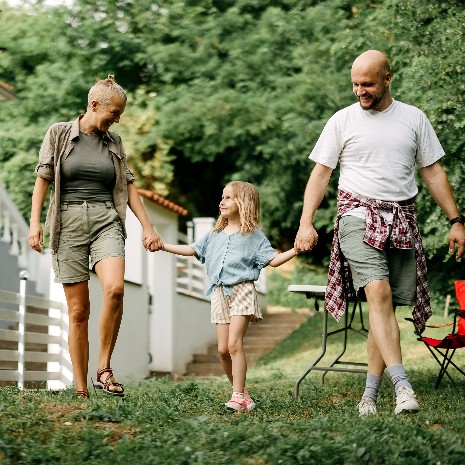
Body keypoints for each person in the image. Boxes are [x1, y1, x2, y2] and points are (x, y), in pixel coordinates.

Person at [294, 50, 465, 416]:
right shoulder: (342, 121)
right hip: (356, 216)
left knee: (381, 306)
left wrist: (455, 220)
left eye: (368, 84)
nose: (360, 91)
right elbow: (321, 174)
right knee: (378, 290)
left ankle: (368, 396)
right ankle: (403, 386)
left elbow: (432, 171)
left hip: (401, 218)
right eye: (355, 84)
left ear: (388, 78)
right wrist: (306, 221)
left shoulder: (413, 119)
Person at [28, 75, 163, 399]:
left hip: (106, 219)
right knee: (78, 311)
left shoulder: (114, 142)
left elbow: (129, 185)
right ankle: (80, 387)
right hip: (68, 223)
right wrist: (36, 223)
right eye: (114, 112)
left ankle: (104, 368)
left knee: (115, 289)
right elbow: (43, 179)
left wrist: (147, 226)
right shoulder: (59, 133)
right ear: (94, 105)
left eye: (120, 114)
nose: (117, 119)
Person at [158, 181, 301, 412]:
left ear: (243, 203)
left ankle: (236, 396)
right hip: (218, 292)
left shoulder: (254, 236)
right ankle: (242, 394)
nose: (222, 202)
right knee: (223, 350)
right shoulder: (214, 234)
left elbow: (272, 261)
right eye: (222, 197)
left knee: (235, 344)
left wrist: (296, 250)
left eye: (228, 198)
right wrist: (163, 246)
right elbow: (192, 249)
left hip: (242, 290)